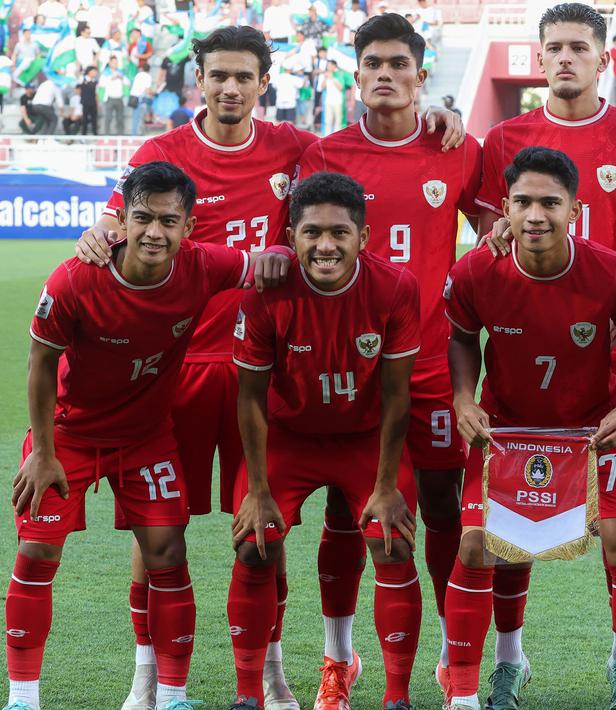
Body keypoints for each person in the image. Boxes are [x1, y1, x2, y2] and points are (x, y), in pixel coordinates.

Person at [73, 24, 463, 710]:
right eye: (216, 75)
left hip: (272, 375)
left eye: (242, 76)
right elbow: (116, 229)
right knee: (157, 526)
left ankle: (274, 675)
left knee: (263, 533)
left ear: (264, 83)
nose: (228, 87)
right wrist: (97, 231)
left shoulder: (294, 149)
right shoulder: (160, 153)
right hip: (182, 365)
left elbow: (364, 159)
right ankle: (147, 678)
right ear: (197, 79)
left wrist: (436, 117)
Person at [6, 160, 288, 710]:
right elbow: (41, 363)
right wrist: (42, 451)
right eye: (142, 218)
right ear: (122, 221)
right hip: (68, 433)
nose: (154, 232)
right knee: (37, 549)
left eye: (168, 220)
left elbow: (265, 263)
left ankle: (173, 696)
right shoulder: (75, 278)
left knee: (167, 550)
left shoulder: (203, 266)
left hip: (145, 438)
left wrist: (284, 253)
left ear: (188, 227)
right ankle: (23, 697)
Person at [472, 6, 616, 705]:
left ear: (603, 56)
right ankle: (509, 659)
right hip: (520, 362)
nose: (563, 58)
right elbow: (488, 239)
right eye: (551, 47)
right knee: (507, 527)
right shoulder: (502, 138)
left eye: (578, 47)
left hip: (605, 362)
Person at [294, 13, 482, 709]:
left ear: (420, 74)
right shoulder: (324, 155)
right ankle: (339, 659)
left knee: (439, 509)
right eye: (372, 62)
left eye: (398, 64)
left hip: (432, 365)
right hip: (349, 367)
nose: (384, 74)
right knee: (348, 513)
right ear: (354, 71)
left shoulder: (457, 148)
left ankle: (445, 652)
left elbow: (492, 233)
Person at [443, 146, 616, 710]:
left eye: (549, 203)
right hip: (508, 433)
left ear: (575, 209)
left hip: (589, 433)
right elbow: (462, 336)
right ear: (506, 209)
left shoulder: (608, 269)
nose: (535, 215)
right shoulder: (476, 270)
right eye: (522, 202)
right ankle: (484, 680)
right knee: (479, 547)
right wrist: (464, 397)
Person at [228, 171, 423, 710]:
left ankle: (397, 696)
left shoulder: (395, 287)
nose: (326, 245)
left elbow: (396, 397)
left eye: (340, 232)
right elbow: (249, 399)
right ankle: (249, 695)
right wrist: (259, 489)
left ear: (364, 235)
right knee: (255, 541)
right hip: (289, 438)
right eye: (312, 232)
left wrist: (386, 486)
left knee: (393, 539)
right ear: (291, 237)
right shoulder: (265, 294)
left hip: (364, 439)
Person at [102, 56, 128, 135]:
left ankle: (120, 136)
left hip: (119, 98)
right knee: (108, 118)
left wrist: (121, 78)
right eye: (113, 62)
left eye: (116, 62)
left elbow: (127, 83)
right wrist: (111, 78)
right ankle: (107, 136)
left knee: (120, 118)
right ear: (110, 63)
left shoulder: (121, 72)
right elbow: (101, 84)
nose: (115, 64)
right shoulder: (105, 72)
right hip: (110, 98)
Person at [79, 66, 99, 135]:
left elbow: (96, 93)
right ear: (89, 72)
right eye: (94, 71)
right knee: (84, 119)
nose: (95, 73)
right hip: (85, 103)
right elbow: (78, 90)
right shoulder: (82, 79)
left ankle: (95, 134)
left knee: (94, 120)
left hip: (93, 103)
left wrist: (97, 104)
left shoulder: (95, 82)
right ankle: (83, 135)